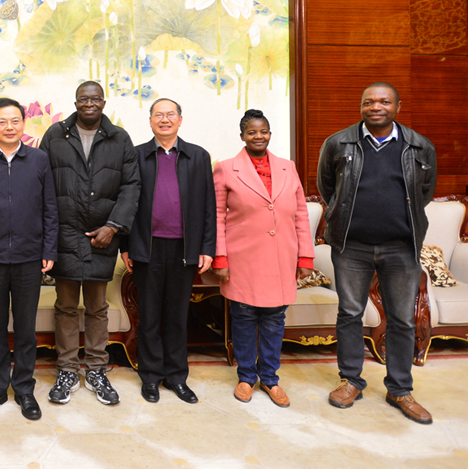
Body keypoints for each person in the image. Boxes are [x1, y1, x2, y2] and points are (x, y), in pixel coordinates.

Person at [317, 82, 437, 424]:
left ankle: (399, 388)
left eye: (384, 101)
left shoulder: (420, 146)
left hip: (401, 247)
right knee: (350, 313)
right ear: (361, 107)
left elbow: (425, 192)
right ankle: (351, 381)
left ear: (398, 107)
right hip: (351, 245)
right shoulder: (338, 143)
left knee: (402, 318)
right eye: (368, 101)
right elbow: (327, 187)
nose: (376, 107)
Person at [40, 81, 140, 406]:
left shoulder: (120, 138)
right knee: (66, 307)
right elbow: (41, 184)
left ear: (103, 102)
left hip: (103, 236)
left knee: (97, 308)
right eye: (83, 98)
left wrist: (113, 227)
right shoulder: (55, 135)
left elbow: (131, 187)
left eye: (95, 98)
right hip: (64, 235)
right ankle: (67, 370)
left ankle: (97, 369)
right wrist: (48, 234)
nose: (89, 103)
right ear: (76, 102)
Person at [212, 109, 315, 407]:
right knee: (244, 318)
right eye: (252, 132)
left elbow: (300, 214)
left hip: (282, 258)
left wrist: (305, 257)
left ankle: (270, 379)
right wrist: (220, 258)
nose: (259, 136)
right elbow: (216, 216)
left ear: (270, 133)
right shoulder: (226, 169)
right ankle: (246, 377)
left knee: (274, 320)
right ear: (242, 136)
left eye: (264, 131)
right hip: (242, 259)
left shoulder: (287, 167)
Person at [0, 98, 58, 420]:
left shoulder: (39, 160)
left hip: (29, 258)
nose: (9, 127)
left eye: (15, 121)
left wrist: (49, 250)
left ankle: (24, 389)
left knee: (26, 328)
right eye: (2, 121)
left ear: (23, 123)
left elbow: (50, 208)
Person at [124, 97, 214, 404]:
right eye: (158, 115)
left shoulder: (198, 156)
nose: (165, 119)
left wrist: (206, 247)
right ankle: (150, 376)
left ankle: (177, 377)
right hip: (146, 247)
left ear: (180, 119)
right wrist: (126, 246)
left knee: (177, 317)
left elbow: (209, 205)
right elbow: (127, 203)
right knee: (149, 315)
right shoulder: (136, 155)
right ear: (150, 121)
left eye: (170, 114)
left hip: (184, 248)